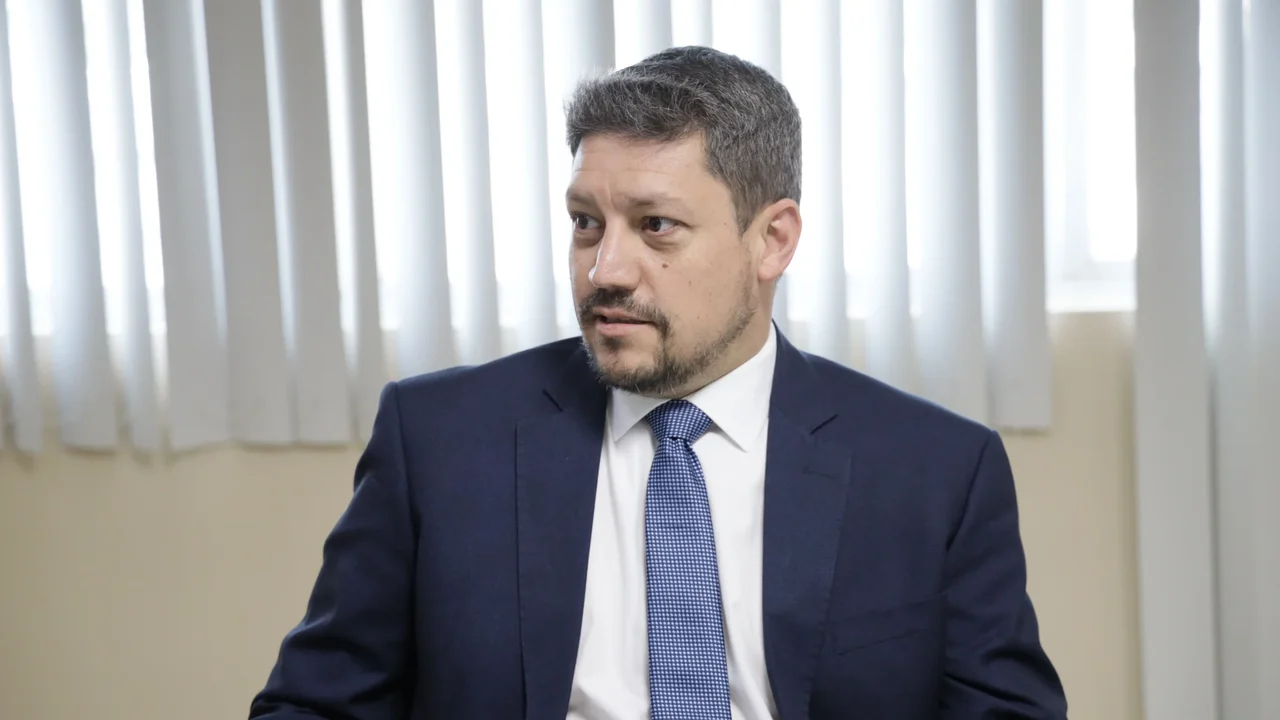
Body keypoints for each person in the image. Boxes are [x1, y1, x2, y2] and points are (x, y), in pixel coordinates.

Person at [248, 46, 1067, 720]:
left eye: (656, 226)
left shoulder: (935, 471)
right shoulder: (438, 440)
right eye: (586, 223)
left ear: (772, 240)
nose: (605, 269)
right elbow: (313, 706)